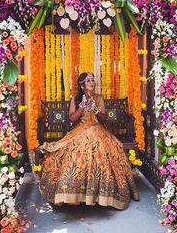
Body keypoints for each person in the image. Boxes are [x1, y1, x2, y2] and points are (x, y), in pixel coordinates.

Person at [39, 72, 139, 210]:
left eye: (92, 80)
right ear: (82, 85)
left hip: (97, 129)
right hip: (81, 130)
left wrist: (95, 109)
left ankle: (101, 194)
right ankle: (74, 194)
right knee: (72, 150)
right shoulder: (76, 98)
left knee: (103, 143)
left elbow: (103, 118)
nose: (92, 82)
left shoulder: (99, 98)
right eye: (88, 81)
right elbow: (72, 118)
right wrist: (83, 107)